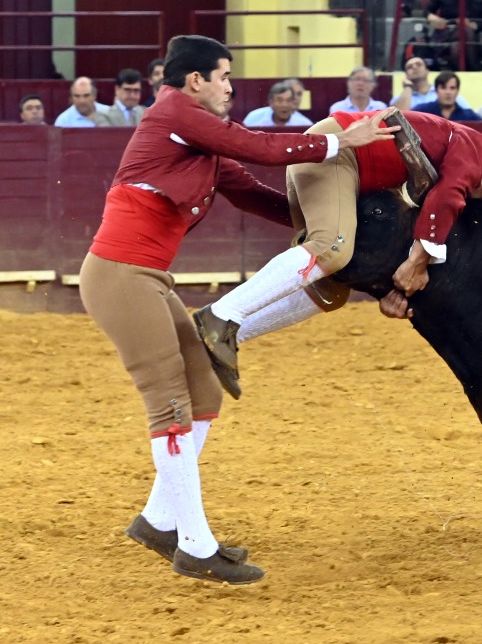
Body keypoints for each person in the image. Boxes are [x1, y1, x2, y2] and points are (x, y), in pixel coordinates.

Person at [78, 34, 398, 585]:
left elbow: (254, 193)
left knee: (202, 387)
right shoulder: (174, 112)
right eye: (224, 76)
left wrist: (329, 226)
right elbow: (259, 147)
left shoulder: (197, 141)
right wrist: (340, 141)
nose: (230, 87)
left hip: (146, 278)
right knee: (169, 404)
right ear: (195, 80)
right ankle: (195, 546)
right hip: (120, 277)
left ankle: (159, 522)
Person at [192, 109, 482, 397]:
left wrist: (389, 289)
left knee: (331, 288)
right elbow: (447, 197)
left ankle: (224, 335)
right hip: (339, 152)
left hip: (341, 164)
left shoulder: (458, 154)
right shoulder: (480, 151)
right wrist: (417, 262)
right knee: (330, 250)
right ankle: (222, 314)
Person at [426, 0, 482, 70]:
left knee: (460, 41)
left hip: (473, 35)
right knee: (463, 35)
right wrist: (435, 19)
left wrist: (473, 25)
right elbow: (427, 12)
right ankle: (473, 70)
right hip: (447, 31)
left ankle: (460, 71)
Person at [390, 56, 472, 110]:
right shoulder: (399, 99)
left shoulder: (446, 92)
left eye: (418, 64)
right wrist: (408, 87)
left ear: (427, 70)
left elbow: (467, 118)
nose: (414, 67)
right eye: (409, 67)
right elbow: (398, 120)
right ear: (406, 74)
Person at [412, 70, 482, 120]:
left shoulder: (469, 116)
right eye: (443, 88)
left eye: (452, 88)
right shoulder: (421, 112)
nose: (448, 92)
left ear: (457, 91)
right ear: (436, 90)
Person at [243, 80, 313, 126]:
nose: (285, 105)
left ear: (292, 103)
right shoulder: (253, 118)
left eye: (288, 100)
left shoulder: (305, 124)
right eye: (280, 100)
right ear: (271, 102)